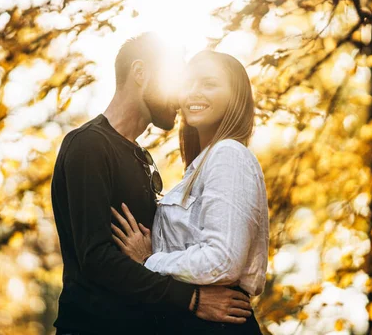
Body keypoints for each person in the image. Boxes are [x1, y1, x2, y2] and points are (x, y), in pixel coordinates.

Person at [50, 34, 253, 335]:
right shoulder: (88, 145)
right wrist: (192, 299)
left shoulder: (140, 155)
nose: (180, 96)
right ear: (140, 73)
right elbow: (97, 258)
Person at [111, 50, 269, 335]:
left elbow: (223, 260)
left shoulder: (228, 154)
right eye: (189, 83)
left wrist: (149, 261)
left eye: (209, 84)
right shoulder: (203, 164)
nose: (194, 93)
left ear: (236, 97)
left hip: (218, 323)